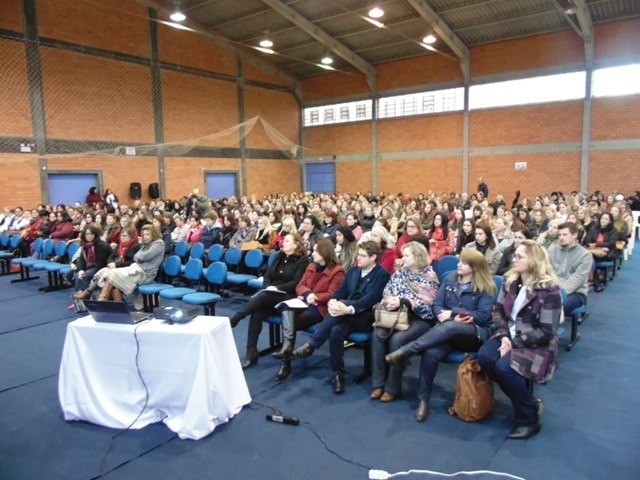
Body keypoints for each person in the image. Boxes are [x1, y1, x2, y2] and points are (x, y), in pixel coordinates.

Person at [385, 249, 496, 421]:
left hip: (473, 334)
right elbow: (436, 305)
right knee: (431, 352)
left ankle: (406, 351)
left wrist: (453, 314)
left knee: (450, 326)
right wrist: (445, 314)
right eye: (460, 261)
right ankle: (423, 400)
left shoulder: (485, 286)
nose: (459, 264)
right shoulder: (450, 278)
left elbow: (483, 316)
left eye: (464, 263)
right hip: (446, 333)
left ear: (475, 267)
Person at [477, 240, 562, 439]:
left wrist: (513, 343)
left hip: (535, 342)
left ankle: (529, 418)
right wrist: (505, 335)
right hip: (508, 334)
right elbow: (497, 311)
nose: (514, 260)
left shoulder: (550, 290)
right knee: (485, 357)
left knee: (504, 368)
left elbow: (547, 331)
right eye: (515, 256)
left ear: (533, 261)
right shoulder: (510, 281)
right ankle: (527, 400)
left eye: (519, 256)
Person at [294, 241, 390, 395]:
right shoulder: (353, 271)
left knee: (341, 307)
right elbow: (341, 291)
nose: (358, 258)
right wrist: (333, 301)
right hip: (343, 315)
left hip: (365, 316)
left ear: (373, 257)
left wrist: (348, 308)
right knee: (336, 331)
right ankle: (338, 373)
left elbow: (371, 299)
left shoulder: (382, 274)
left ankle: (313, 343)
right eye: (358, 254)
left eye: (363, 256)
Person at [370, 242, 439, 403]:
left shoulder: (429, 275)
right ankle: (378, 383)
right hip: (396, 316)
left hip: (420, 319)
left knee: (397, 340)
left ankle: (392, 387)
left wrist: (403, 301)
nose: (403, 258)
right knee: (378, 334)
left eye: (407, 255)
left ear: (417, 257)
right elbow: (387, 290)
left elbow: (429, 304)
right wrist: (390, 300)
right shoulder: (400, 272)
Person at [228, 233, 309, 369]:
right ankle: (251, 353)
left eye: (287, 241)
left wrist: (276, 288)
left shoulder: (303, 260)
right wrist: (268, 287)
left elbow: (296, 283)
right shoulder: (279, 256)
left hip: (289, 296)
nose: (283, 243)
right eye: (283, 241)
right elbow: (267, 276)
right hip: (271, 294)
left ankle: (236, 317)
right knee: (257, 312)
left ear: (296, 245)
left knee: (264, 297)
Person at [272, 239, 345, 380]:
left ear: (325, 253)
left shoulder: (337, 271)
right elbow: (300, 285)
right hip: (306, 302)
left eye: (316, 251)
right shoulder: (312, 266)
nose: (313, 253)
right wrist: (307, 294)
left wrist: (315, 297)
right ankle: (287, 353)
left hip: (320, 309)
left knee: (290, 322)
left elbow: (332, 294)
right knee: (287, 310)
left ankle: (285, 361)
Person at [95, 224, 165, 302]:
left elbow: (144, 256)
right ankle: (114, 303)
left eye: (148, 234)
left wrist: (139, 256)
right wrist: (139, 256)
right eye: (144, 234)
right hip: (136, 269)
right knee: (107, 272)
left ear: (153, 233)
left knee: (112, 274)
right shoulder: (145, 245)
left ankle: (103, 300)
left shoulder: (159, 243)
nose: (145, 236)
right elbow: (136, 257)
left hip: (146, 274)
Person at [547, 222, 591, 314]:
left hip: (576, 293)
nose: (561, 238)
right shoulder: (552, 251)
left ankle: (548, 326)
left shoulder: (585, 255)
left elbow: (576, 281)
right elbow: (546, 272)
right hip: (552, 289)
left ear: (575, 235)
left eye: (565, 234)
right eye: (559, 235)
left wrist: (557, 293)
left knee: (555, 304)